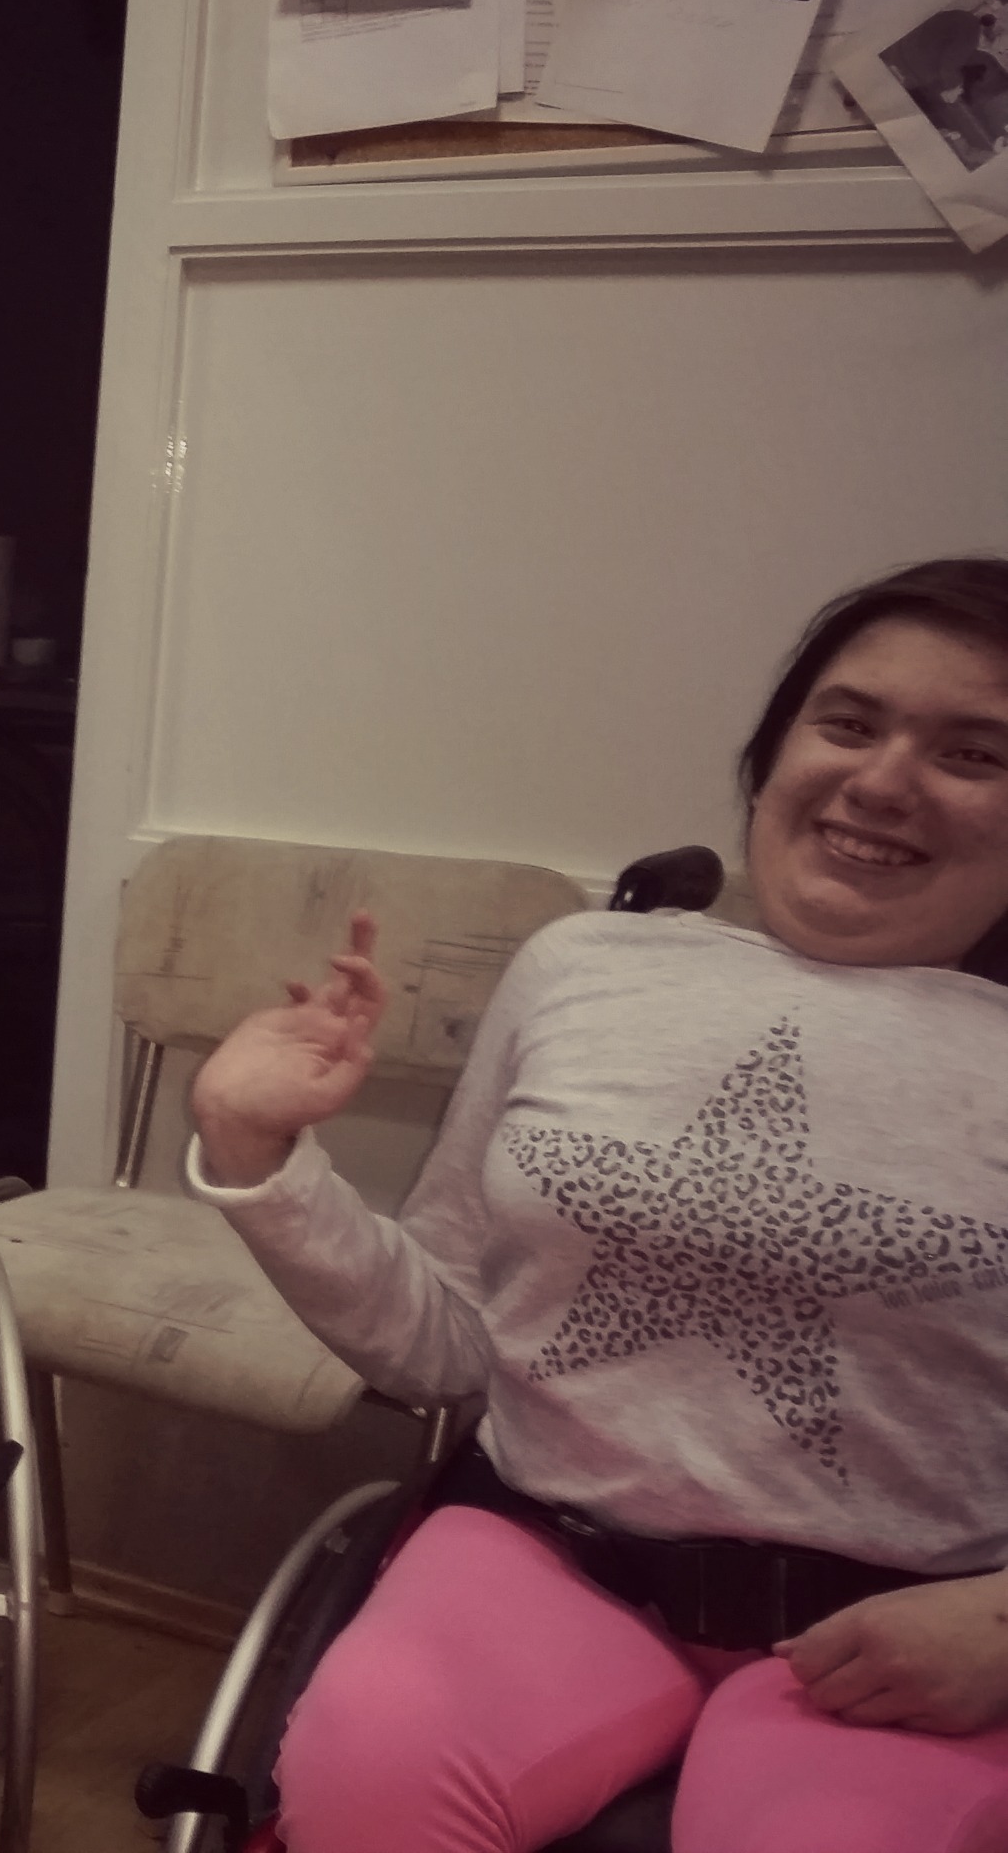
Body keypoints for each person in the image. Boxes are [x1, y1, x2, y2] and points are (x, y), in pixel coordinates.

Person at [187, 557, 1008, 1852]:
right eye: (848, 723)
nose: (883, 780)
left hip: (907, 1630)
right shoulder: (582, 968)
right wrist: (256, 1149)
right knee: (362, 1774)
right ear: (772, 755)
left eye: (972, 753)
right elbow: (451, 1340)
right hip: (553, 1559)